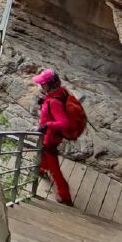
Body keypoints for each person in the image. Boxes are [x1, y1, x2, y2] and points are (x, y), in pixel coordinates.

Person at [31, 68, 73, 205]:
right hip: (51, 137)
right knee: (43, 154)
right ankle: (41, 169)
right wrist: (44, 101)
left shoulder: (54, 102)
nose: (41, 86)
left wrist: (47, 125)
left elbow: (64, 122)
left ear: (50, 84)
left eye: (43, 84)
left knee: (54, 168)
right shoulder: (59, 92)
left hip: (50, 138)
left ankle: (64, 195)